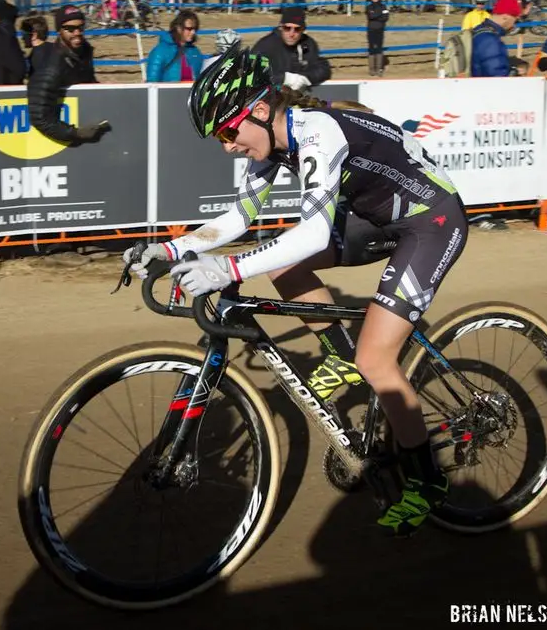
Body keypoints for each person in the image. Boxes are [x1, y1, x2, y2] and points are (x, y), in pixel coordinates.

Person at [123, 46, 466, 537]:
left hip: (429, 221)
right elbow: (239, 217)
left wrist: (227, 269)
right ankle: (339, 356)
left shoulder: (316, 132)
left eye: (227, 130)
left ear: (259, 110)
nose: (227, 146)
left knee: (376, 359)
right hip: (376, 217)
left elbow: (313, 234)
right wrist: (172, 250)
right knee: (281, 265)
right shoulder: (271, 143)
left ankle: (427, 482)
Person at [27, 5, 111, 145]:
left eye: (81, 28)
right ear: (59, 30)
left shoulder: (85, 51)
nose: (77, 33)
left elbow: (88, 81)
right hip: (62, 141)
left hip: (88, 130)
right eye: (70, 29)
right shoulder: (52, 66)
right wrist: (75, 133)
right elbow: (39, 117)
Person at [251, 6, 332, 91]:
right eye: (287, 28)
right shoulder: (265, 46)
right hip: (271, 98)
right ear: (281, 27)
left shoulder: (308, 44)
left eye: (297, 29)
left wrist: (305, 78)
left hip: (299, 97)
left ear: (303, 29)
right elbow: (251, 75)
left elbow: (323, 69)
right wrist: (284, 78)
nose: (291, 34)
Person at [469, 0, 520, 78]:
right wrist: (514, 73)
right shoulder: (490, 40)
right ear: (506, 17)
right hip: (482, 89)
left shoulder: (478, 29)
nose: (514, 25)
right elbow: (496, 76)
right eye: (515, 20)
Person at [145, 10, 204, 82]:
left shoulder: (196, 52)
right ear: (178, 28)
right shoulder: (160, 52)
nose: (193, 32)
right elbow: (152, 83)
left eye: (195, 29)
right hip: (168, 92)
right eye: (189, 29)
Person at [365, 0, 389, 78]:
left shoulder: (384, 6)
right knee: (371, 49)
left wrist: (376, 15)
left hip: (380, 30)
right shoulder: (369, 7)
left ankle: (379, 69)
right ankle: (372, 69)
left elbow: (386, 18)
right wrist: (379, 14)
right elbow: (370, 16)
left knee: (379, 49)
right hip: (371, 30)